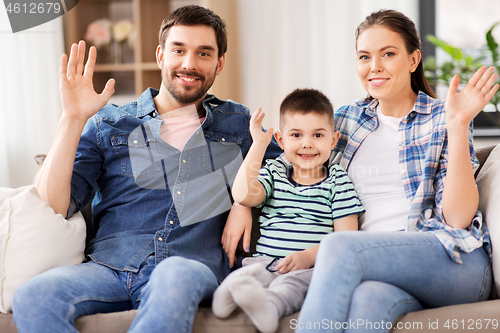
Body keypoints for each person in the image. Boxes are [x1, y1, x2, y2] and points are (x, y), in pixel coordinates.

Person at [11, 5, 281, 333]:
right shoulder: (109, 123)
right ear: (160, 55)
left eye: (204, 53)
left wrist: (244, 200)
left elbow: (296, 173)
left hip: (188, 266)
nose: (189, 64)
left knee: (175, 275)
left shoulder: (239, 125)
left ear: (219, 63)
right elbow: (54, 204)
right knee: (33, 296)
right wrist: (72, 118)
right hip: (109, 268)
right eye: (178, 50)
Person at [293, 9, 499, 333]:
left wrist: (458, 126)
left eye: (388, 54)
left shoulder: (442, 117)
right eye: (364, 56)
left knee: (337, 246)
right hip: (378, 267)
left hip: (452, 258)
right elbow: (290, 164)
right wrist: (241, 203)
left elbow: (458, 219)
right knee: (367, 300)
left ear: (413, 59)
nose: (374, 67)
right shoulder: (344, 120)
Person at [212, 88, 364, 333]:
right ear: (281, 141)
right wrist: (259, 145)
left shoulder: (339, 181)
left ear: (333, 140)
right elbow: (242, 195)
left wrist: (309, 257)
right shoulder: (274, 172)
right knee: (250, 275)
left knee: (291, 287)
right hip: (264, 262)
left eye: (317, 135)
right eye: (296, 135)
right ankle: (229, 294)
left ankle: (269, 307)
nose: (307, 143)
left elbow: (346, 240)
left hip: (308, 268)